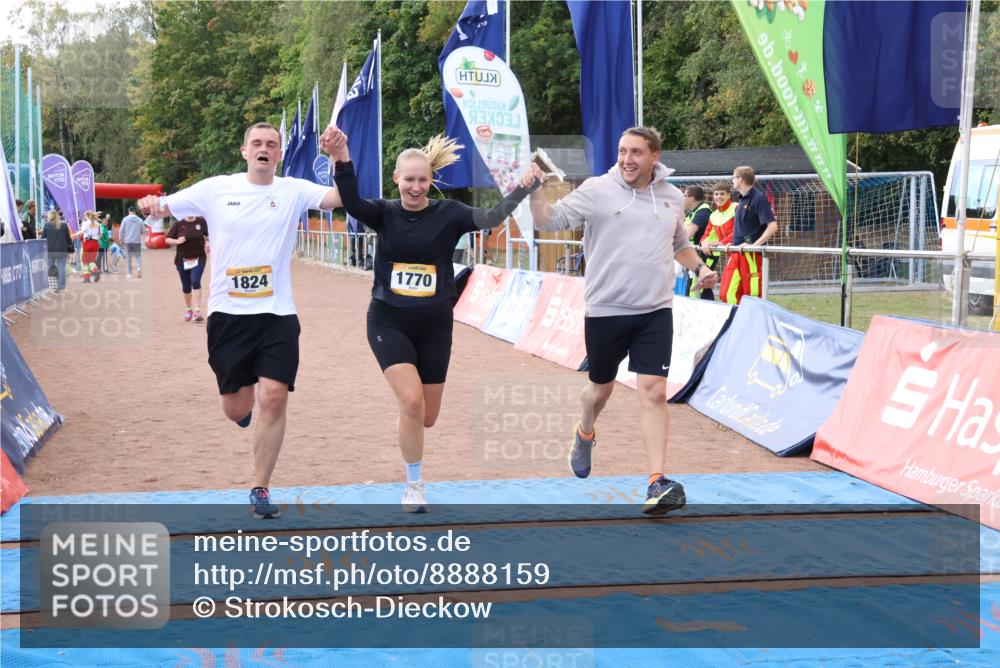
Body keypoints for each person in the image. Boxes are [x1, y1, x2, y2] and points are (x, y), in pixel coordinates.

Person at [326, 125, 537, 513]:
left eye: (423, 180)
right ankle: (414, 485)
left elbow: (491, 217)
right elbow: (352, 202)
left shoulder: (449, 213)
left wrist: (523, 187)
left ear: (431, 180)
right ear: (397, 179)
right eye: (409, 180)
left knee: (427, 416)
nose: (416, 187)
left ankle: (411, 432)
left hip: (436, 323)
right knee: (410, 402)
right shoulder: (383, 212)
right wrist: (342, 158)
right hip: (388, 320)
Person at [138, 122, 343, 520]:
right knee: (237, 408)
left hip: (277, 313)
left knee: (275, 397)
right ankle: (241, 410)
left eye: (271, 144)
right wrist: (150, 204)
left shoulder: (293, 190)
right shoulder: (216, 188)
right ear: (244, 151)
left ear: (279, 154)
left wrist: (339, 157)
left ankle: (260, 488)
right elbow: (165, 206)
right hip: (229, 315)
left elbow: (337, 197)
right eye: (257, 143)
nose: (264, 149)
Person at [528, 126, 717, 516]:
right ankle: (585, 432)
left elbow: (678, 242)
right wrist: (535, 192)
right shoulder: (598, 189)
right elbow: (548, 221)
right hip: (606, 310)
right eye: (621, 151)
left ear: (654, 156)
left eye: (635, 152)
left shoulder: (670, 197)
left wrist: (699, 269)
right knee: (600, 391)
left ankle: (656, 481)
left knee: (653, 392)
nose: (626, 159)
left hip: (655, 310)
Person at [721, 166, 778, 304]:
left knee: (753, 296)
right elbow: (742, 228)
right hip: (736, 253)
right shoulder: (742, 199)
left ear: (740, 179)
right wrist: (732, 243)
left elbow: (773, 227)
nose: (732, 180)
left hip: (751, 256)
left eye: (733, 177)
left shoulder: (758, 198)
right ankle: (737, 322)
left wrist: (754, 246)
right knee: (726, 293)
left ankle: (751, 323)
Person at [165, 215, 209, 321]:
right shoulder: (178, 224)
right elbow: (167, 239)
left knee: (195, 281)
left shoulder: (201, 221)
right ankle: (189, 309)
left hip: (199, 258)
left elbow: (210, 234)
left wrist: (208, 242)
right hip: (182, 260)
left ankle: (197, 311)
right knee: (186, 287)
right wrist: (177, 241)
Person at [699, 181, 736, 298]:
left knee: (731, 292)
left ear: (729, 195)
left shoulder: (737, 208)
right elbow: (706, 235)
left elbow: (739, 232)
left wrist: (721, 242)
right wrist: (704, 243)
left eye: (722, 194)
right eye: (716, 194)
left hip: (743, 253)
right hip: (730, 255)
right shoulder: (713, 215)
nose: (719, 197)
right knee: (725, 294)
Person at [682, 186, 714, 300]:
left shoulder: (703, 211)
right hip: (695, 254)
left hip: (704, 255)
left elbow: (688, 233)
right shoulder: (692, 212)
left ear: (692, 198)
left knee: (699, 288)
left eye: (684, 195)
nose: (682, 198)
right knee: (700, 289)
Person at [41, 209, 74, 291]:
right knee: (61, 268)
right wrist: (71, 248)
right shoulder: (64, 225)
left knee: (50, 267)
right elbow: (68, 238)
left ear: (49, 216)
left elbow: (43, 238)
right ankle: (61, 285)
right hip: (62, 249)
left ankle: (50, 285)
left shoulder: (46, 225)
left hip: (50, 250)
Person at [118, 205, 145, 278]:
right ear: (135, 212)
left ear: (129, 211)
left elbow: (121, 230)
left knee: (128, 258)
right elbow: (143, 231)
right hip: (137, 241)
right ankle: (138, 268)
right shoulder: (140, 220)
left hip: (128, 241)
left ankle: (129, 274)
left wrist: (120, 239)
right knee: (138, 257)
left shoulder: (125, 219)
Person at [78, 211, 102, 283]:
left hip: (87, 243)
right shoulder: (98, 224)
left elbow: (82, 232)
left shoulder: (85, 223)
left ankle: (87, 278)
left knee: (84, 261)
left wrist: (73, 235)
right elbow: (100, 235)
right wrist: (95, 237)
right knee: (91, 260)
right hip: (95, 243)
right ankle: (96, 271)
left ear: (87, 216)